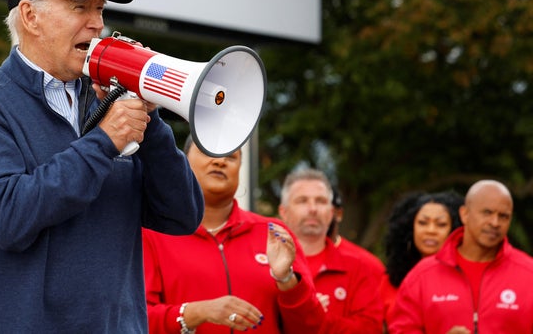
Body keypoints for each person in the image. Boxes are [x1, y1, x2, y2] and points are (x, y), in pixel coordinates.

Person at [0, 0, 203, 333]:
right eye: (79, 8)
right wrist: (103, 141)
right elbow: (7, 217)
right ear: (31, 17)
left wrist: (150, 123)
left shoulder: (105, 100)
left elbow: (182, 215)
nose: (96, 24)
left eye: (99, 9)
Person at [142, 136, 325, 334]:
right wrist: (197, 312)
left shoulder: (273, 233)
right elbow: (133, 320)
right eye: (207, 151)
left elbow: (313, 327)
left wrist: (286, 279)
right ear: (183, 162)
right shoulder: (154, 233)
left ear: (239, 169)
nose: (220, 161)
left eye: (230, 156)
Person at [388, 180, 533, 334]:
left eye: (503, 216)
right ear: (464, 214)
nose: (495, 223)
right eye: (487, 213)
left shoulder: (529, 274)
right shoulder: (422, 276)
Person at [278, 168, 384, 334]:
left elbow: (370, 329)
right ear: (283, 212)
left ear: (331, 213)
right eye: (302, 200)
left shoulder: (359, 268)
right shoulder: (264, 265)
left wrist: (316, 316)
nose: (312, 208)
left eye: (320, 201)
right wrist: (304, 311)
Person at [379, 190, 463, 327]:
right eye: (423, 223)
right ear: (409, 229)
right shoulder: (390, 281)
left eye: (441, 224)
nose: (431, 230)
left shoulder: (464, 277)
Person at [328, 188, 385, 277]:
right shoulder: (298, 261)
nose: (313, 210)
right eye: (302, 202)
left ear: (339, 213)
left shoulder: (367, 265)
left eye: (321, 203)